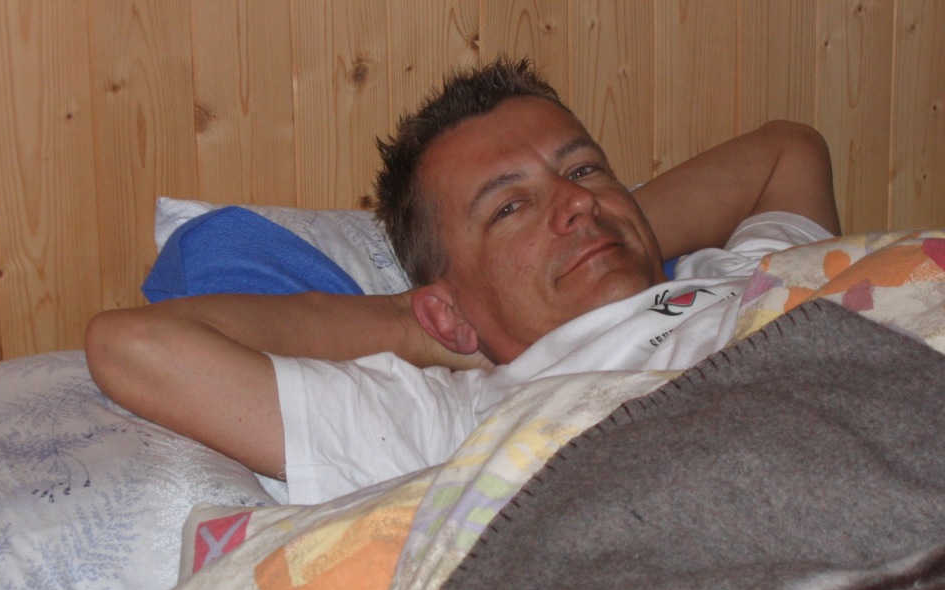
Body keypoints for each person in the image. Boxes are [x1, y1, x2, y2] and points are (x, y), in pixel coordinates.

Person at [85, 58, 840, 505]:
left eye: (582, 169)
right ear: (446, 316)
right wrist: (432, 326)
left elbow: (789, 149)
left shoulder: (741, 274)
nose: (574, 200)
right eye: (509, 207)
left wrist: (605, 232)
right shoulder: (457, 421)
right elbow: (139, 346)